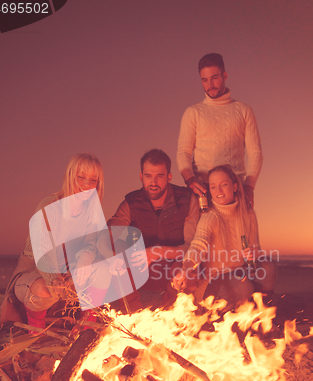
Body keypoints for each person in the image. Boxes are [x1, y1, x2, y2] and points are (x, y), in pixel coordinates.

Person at [0, 153, 111, 340]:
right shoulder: (49, 206)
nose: (86, 185)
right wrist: (54, 280)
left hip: (66, 275)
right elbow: (42, 252)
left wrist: (85, 257)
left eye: (93, 180)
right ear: (70, 176)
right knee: (45, 290)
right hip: (38, 272)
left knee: (104, 270)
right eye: (81, 177)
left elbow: (91, 242)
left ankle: (87, 323)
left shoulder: (91, 212)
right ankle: (36, 329)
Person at [97, 149, 199, 310]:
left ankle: (174, 316)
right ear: (141, 177)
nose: (153, 182)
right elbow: (107, 235)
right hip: (141, 270)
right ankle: (134, 318)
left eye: (159, 176)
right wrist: (113, 255)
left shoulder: (187, 200)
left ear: (169, 177)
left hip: (172, 270)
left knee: (190, 268)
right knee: (118, 256)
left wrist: (157, 252)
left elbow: (192, 248)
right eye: (148, 176)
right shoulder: (131, 203)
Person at [172, 165, 276, 307]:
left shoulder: (249, 214)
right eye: (213, 187)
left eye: (223, 185)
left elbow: (255, 249)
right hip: (214, 280)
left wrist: (255, 253)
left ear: (234, 187)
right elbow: (197, 246)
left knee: (268, 267)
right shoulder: (209, 217)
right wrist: (185, 269)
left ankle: (261, 312)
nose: (218, 191)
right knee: (242, 287)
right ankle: (228, 311)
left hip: (241, 272)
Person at [177, 53, 263, 209]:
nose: (210, 84)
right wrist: (190, 179)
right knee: (203, 233)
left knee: (241, 234)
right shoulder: (193, 112)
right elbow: (183, 152)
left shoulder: (244, 110)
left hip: (236, 190)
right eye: (204, 80)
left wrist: (249, 186)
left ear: (224, 75)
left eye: (214, 78)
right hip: (203, 191)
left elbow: (255, 153)